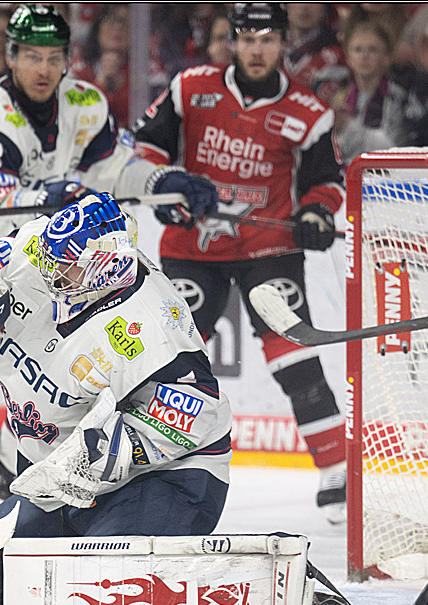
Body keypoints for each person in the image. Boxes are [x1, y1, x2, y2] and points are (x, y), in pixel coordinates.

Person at [0, 4, 218, 533]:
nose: (43, 68)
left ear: (67, 58)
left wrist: (164, 183)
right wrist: (51, 197)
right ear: (11, 57)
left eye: (53, 57)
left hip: (51, 261)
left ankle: (3, 468)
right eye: (31, 56)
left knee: (47, 375)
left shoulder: (85, 103)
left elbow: (115, 168)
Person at [0, 193, 233, 605]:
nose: (49, 272)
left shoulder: (150, 327)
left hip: (167, 477)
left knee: (95, 585)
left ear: (104, 267)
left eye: (64, 267)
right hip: (60, 471)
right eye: (50, 259)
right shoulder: (50, 248)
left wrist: (90, 457)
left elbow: (197, 414)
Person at [131, 3, 349, 524]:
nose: (257, 49)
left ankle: (337, 471)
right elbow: (145, 148)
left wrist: (317, 212)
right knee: (167, 358)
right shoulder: (190, 88)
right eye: (247, 39)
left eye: (267, 39)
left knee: (293, 358)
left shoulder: (307, 111)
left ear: (283, 43)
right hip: (193, 248)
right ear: (232, 41)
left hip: (269, 253)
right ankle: (139, 462)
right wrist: (164, 186)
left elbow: (326, 181)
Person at [330, 20, 412, 163]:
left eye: (372, 50)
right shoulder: (338, 98)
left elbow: (394, 150)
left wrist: (347, 126)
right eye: (358, 50)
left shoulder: (398, 98)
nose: (364, 56)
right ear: (348, 58)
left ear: (387, 58)